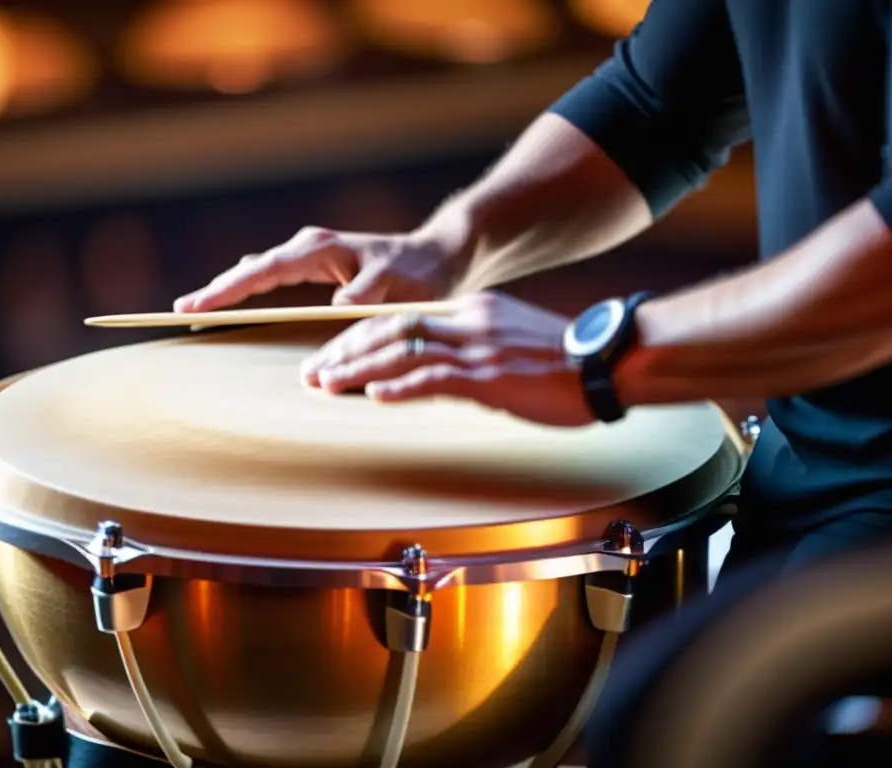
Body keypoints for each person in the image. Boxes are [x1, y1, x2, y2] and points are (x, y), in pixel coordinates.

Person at [171, 1, 892, 765]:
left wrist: (601, 355)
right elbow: (660, 104)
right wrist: (447, 247)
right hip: (808, 464)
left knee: (661, 719)